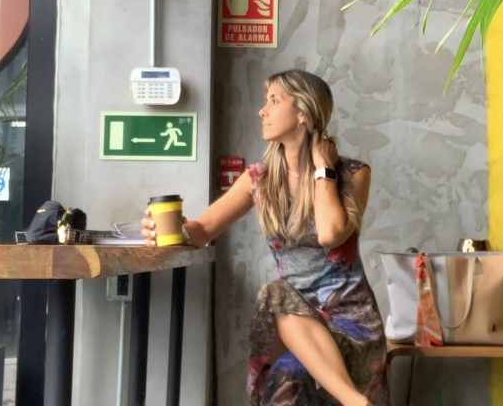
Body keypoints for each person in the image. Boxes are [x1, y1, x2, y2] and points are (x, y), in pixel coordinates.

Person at [142, 69, 388, 406]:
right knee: (284, 372)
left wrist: (323, 169)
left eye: (274, 101)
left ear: (303, 113)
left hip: (351, 325)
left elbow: (330, 233)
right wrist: (169, 231)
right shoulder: (259, 178)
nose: (262, 111)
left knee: (275, 294)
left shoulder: (354, 174)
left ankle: (353, 401)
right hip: (294, 328)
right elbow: (203, 230)